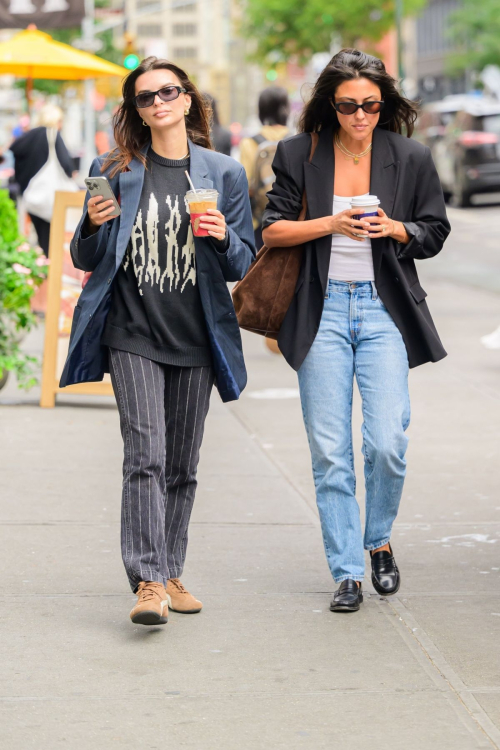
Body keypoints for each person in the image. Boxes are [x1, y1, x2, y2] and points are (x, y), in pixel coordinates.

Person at [60, 57, 255, 626]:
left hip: (196, 335)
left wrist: (221, 236)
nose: (159, 102)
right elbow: (85, 258)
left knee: (182, 464)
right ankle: (147, 582)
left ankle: (170, 570)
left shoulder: (223, 173)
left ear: (188, 100)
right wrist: (93, 225)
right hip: (133, 332)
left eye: (169, 92)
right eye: (146, 97)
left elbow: (244, 260)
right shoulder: (114, 167)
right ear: (137, 111)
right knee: (144, 454)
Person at [262, 48, 450, 613]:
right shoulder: (300, 153)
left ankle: (379, 538)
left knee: (388, 440)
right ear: (330, 105)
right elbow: (271, 231)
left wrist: (396, 229)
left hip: (382, 310)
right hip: (320, 311)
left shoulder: (409, 156)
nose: (360, 116)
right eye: (348, 106)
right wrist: (331, 223)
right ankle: (347, 571)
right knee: (329, 449)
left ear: (384, 104)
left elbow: (435, 230)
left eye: (371, 105)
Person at [10, 104, 75, 256]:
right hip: (51, 197)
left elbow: (15, 158)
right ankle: (51, 271)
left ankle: (44, 266)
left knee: (41, 237)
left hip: (32, 196)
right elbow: (67, 165)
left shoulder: (26, 137)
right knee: (54, 241)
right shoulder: (52, 135)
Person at [240, 87, 290, 248]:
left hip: (260, 221)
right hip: (293, 222)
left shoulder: (249, 143)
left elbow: (245, 184)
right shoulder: (298, 139)